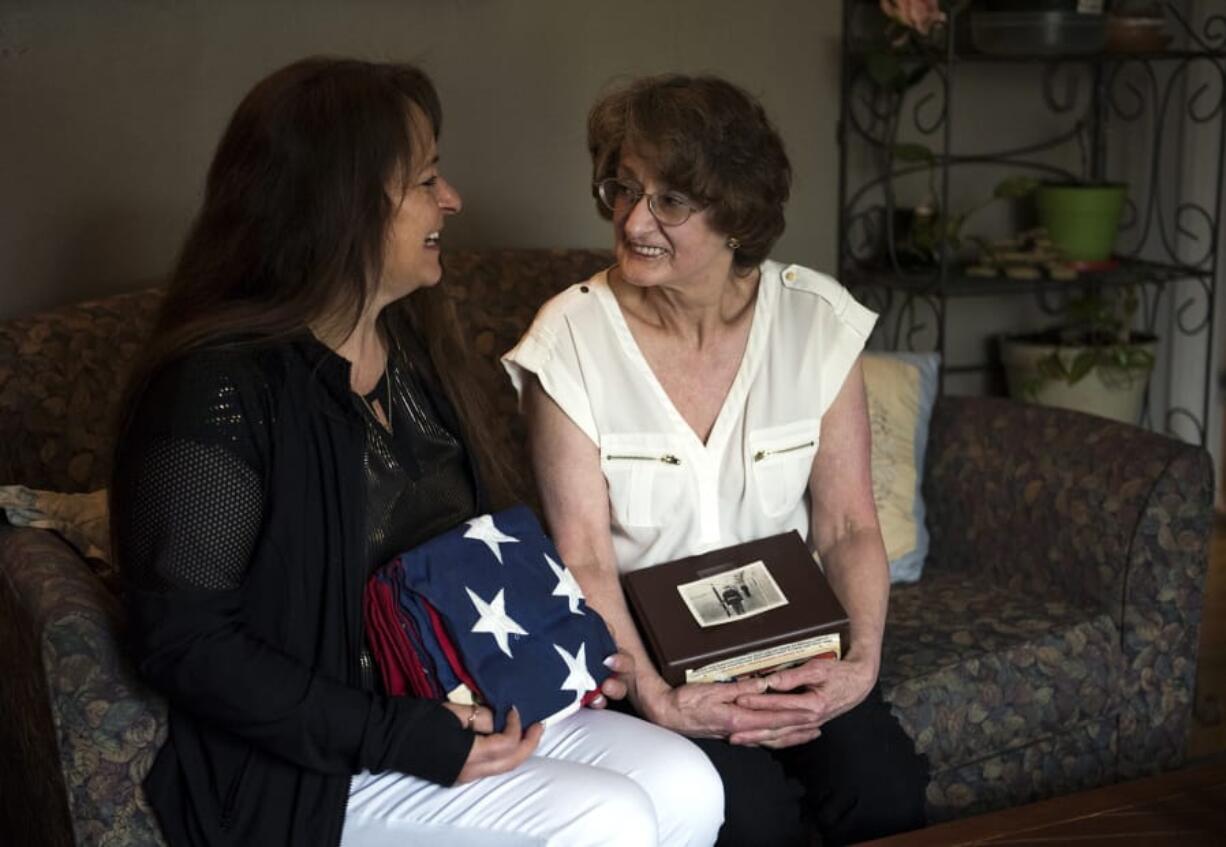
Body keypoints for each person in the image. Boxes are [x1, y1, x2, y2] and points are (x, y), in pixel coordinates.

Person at [112, 57, 724, 847]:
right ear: (341, 205)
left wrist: (552, 652)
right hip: (316, 759)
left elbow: (470, 550)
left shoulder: (411, 343)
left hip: (455, 701)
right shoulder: (218, 389)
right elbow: (186, 644)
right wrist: (403, 734)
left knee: (685, 781)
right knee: (607, 823)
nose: (453, 199)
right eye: (426, 179)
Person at [503, 74, 929, 846]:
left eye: (670, 201)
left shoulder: (815, 321)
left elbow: (847, 526)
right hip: (654, 660)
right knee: (750, 813)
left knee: (883, 786)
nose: (634, 220)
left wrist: (858, 665)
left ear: (736, 213)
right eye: (624, 189)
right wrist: (662, 699)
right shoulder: (567, 339)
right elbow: (587, 558)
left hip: (798, 647)